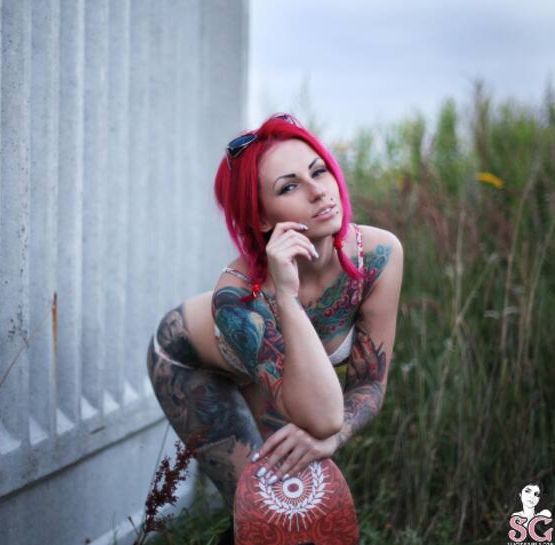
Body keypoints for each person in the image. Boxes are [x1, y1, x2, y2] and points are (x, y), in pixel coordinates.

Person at [146, 113, 403, 543]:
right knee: (268, 507)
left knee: (302, 498)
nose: (318, 191)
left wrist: (333, 439)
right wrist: (286, 294)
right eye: (289, 187)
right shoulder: (237, 295)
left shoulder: (378, 254)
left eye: (318, 171)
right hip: (188, 362)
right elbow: (322, 416)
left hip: (270, 372)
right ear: (262, 219)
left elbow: (368, 385)